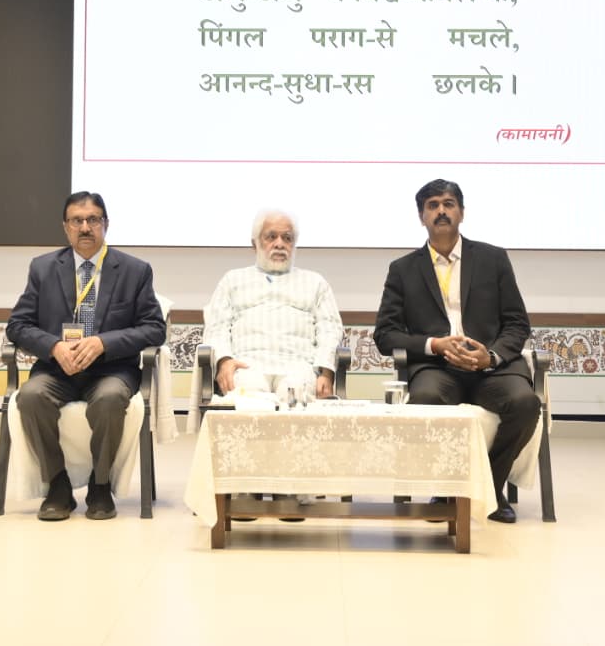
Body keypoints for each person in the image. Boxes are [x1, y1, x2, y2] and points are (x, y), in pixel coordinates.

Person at [373, 179, 539, 524]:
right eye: (432, 205)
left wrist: (490, 355)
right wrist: (434, 345)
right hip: (437, 368)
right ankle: (447, 490)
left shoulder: (493, 259)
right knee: (426, 400)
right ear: (422, 217)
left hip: (491, 369)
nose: (441, 211)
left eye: (448, 204)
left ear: (461, 212)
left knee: (525, 403)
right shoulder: (403, 269)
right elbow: (385, 335)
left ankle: (489, 488)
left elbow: (517, 323)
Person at [7, 191, 166, 522]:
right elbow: (18, 326)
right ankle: (57, 485)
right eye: (76, 221)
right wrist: (54, 346)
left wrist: (103, 343)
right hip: (57, 369)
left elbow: (154, 329)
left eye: (93, 219)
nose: (85, 228)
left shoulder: (135, 270)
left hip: (111, 371)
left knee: (109, 399)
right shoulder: (43, 268)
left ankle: (100, 485)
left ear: (106, 224)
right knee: (31, 397)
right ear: (65, 227)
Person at [203, 209, 342, 402]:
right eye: (271, 237)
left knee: (295, 394)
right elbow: (217, 327)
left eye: (287, 238)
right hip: (247, 365)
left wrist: (326, 372)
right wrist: (224, 361)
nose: (279, 244)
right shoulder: (232, 280)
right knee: (249, 397)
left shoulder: (315, 283)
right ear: (255, 244)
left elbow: (330, 329)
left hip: (299, 366)